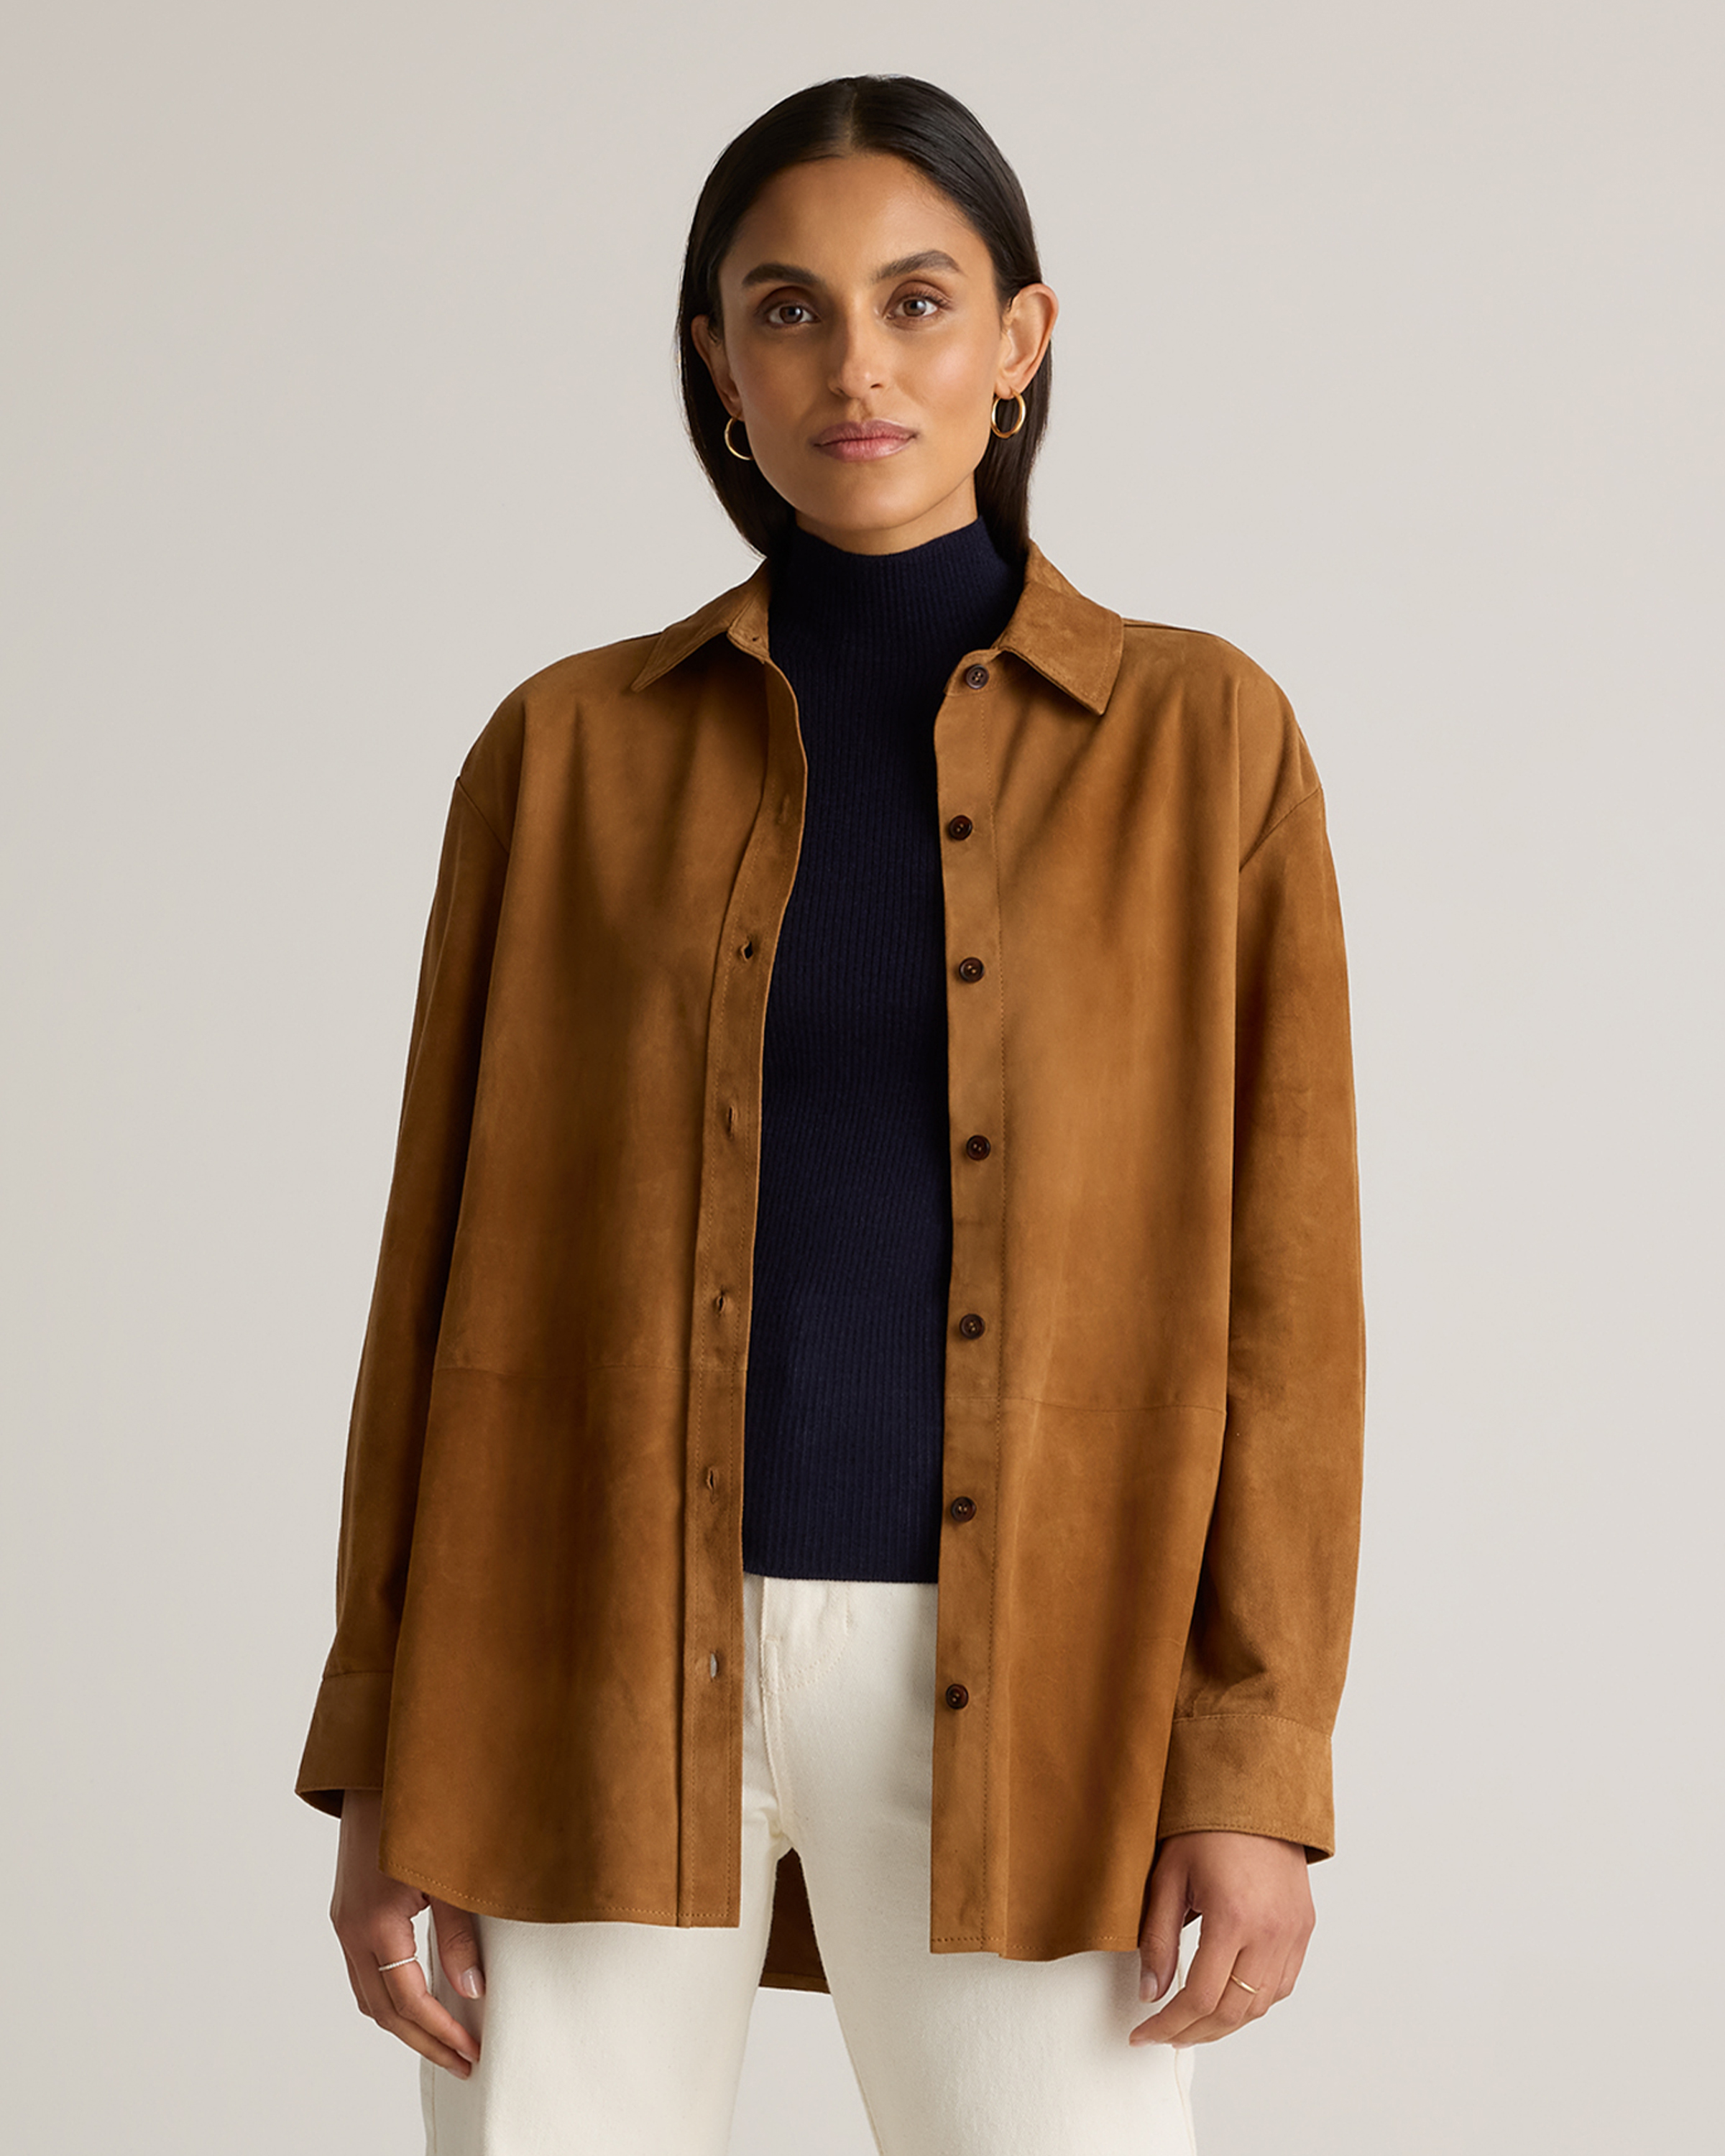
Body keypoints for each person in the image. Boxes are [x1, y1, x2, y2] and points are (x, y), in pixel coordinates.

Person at [297, 73, 1365, 2156]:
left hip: (1043, 1682)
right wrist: (383, 1748)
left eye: (916, 302)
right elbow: (430, 1289)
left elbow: (1290, 1312)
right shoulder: (564, 756)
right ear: (719, 362)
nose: (854, 367)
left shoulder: (1203, 745)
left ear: (1021, 341)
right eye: (786, 309)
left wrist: (1254, 1766)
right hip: (577, 1656)